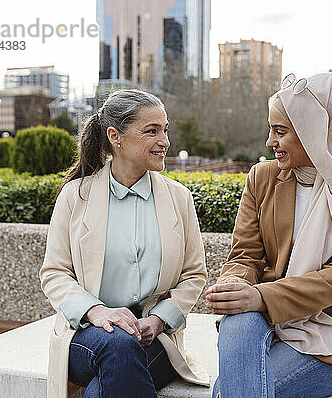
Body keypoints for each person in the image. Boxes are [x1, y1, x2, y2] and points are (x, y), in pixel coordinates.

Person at [205, 72, 332, 398]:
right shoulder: (261, 178)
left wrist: (261, 297)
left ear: (318, 131)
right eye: (270, 130)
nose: (269, 142)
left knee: (228, 392)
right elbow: (245, 255)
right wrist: (236, 283)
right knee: (236, 320)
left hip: (329, 335)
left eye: (280, 131)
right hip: (261, 315)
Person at [40, 89, 209, 398]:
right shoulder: (76, 195)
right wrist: (97, 311)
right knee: (117, 341)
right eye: (152, 131)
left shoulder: (179, 198)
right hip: (87, 335)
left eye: (165, 130)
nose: (165, 141)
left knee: (102, 387)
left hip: (154, 339)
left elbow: (194, 274)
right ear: (115, 136)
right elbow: (54, 273)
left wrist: (159, 320)